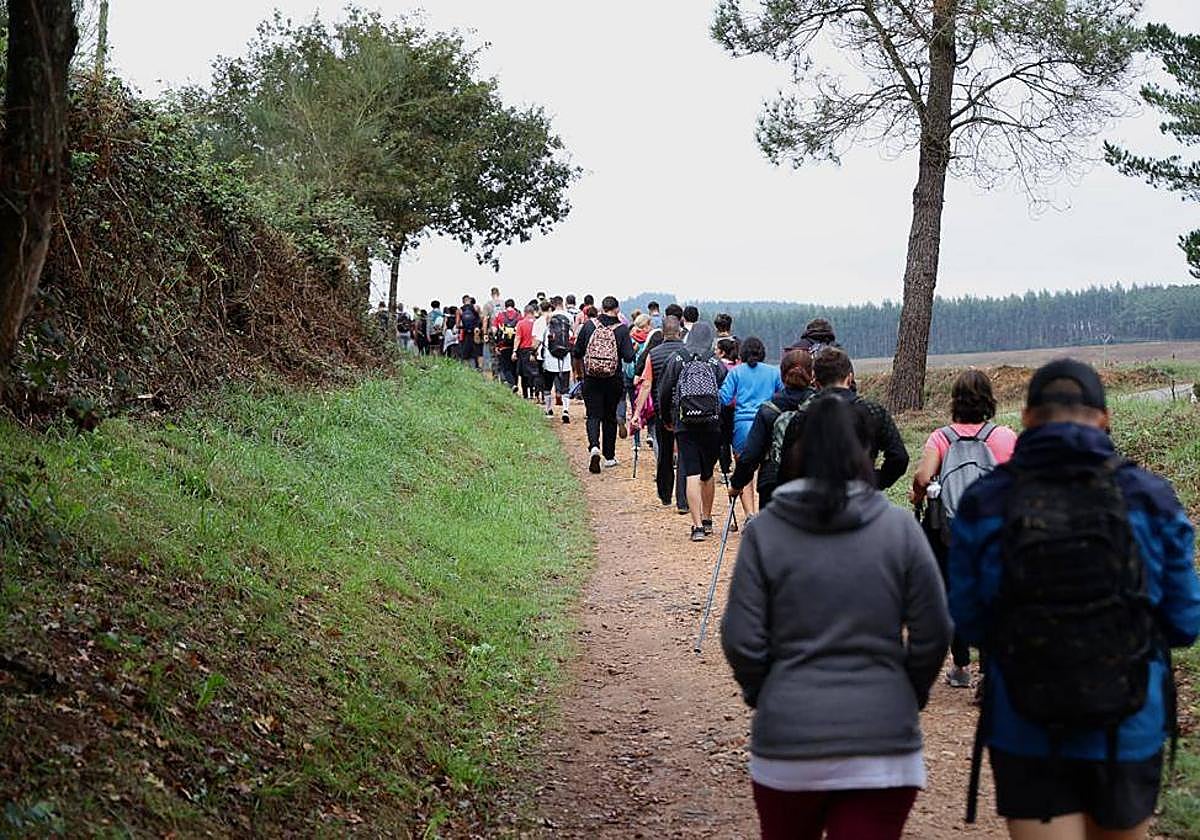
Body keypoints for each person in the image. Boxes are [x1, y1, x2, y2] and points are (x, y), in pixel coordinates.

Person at [950, 360, 1200, 840]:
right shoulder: (1151, 497)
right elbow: (1185, 623)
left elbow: (971, 620)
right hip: (1128, 724)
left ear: (1026, 419)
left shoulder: (988, 501)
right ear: (1104, 419)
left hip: (1025, 724)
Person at [722, 395, 952, 840]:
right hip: (884, 737)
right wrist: (909, 692)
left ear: (795, 454)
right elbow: (934, 628)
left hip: (789, 737)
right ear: (865, 455)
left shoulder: (765, 532)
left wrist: (767, 693)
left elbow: (740, 636)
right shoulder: (899, 529)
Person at [909, 369, 1017, 689]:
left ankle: (960, 666)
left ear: (954, 401)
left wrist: (917, 495)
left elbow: (923, 477)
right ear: (989, 400)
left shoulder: (941, 437)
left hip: (949, 529)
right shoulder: (1005, 436)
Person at [777, 348, 908, 494]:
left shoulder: (802, 418)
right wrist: (875, 481)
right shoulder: (873, 412)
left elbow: (786, 471)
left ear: (816, 382)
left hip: (815, 502)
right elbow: (899, 457)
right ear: (849, 378)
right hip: (861, 499)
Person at [657, 320, 729, 540]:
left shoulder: (677, 358)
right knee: (708, 474)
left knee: (691, 473)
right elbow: (724, 394)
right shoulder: (715, 361)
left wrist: (666, 418)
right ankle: (708, 520)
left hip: (684, 423)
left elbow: (665, 390)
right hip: (711, 424)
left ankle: (697, 526)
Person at [729, 348, 816, 509]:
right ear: (812, 375)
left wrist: (736, 484)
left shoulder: (768, 410)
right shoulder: (824, 407)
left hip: (773, 482)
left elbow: (750, 456)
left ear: (782, 376)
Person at [719, 336, 784, 519]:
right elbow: (782, 396)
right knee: (766, 467)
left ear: (742, 353)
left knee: (744, 468)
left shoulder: (736, 373)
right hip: (769, 424)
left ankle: (749, 514)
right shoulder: (774, 372)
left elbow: (724, 398)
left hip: (742, 426)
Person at [631, 317, 690, 513]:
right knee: (683, 454)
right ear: (680, 332)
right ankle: (683, 500)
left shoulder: (653, 354)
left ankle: (665, 495)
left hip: (661, 410)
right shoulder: (688, 354)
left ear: (662, 332)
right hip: (685, 410)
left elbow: (646, 385)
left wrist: (637, 412)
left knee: (664, 453)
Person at [573, 296, 635, 474]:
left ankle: (594, 447)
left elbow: (577, 351)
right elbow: (629, 357)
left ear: (601, 308)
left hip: (591, 378)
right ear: (617, 309)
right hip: (613, 379)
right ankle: (609, 456)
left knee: (593, 415)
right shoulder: (622, 329)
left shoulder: (589, 326)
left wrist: (579, 373)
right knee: (609, 417)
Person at [540, 297, 574, 423]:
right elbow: (572, 336)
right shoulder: (569, 317)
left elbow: (544, 337)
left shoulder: (549, 317)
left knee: (548, 385)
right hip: (565, 357)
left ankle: (549, 409)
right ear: (563, 304)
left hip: (550, 357)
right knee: (565, 386)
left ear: (553, 305)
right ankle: (565, 409)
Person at [715, 337, 741, 480]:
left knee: (723, 440)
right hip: (738, 407)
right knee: (735, 438)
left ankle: (725, 470)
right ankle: (739, 468)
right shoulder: (739, 366)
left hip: (723, 406)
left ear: (722, 352)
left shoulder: (719, 366)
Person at [513, 303, 540, 400]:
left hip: (524, 350)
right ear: (533, 313)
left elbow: (518, 338)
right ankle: (535, 394)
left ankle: (525, 395)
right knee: (535, 373)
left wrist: (514, 351)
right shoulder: (537, 323)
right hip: (535, 350)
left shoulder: (520, 323)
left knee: (524, 374)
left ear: (525, 312)